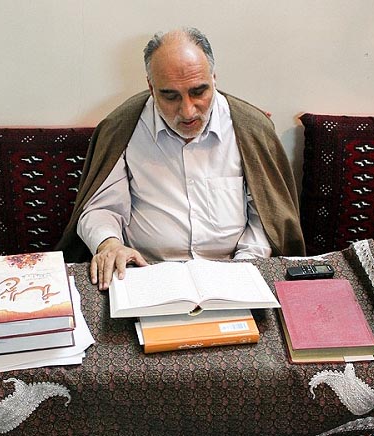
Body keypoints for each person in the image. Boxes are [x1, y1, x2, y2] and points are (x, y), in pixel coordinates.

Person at [56, 27, 305, 290]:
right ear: (151, 87)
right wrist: (110, 244)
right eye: (170, 96)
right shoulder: (122, 129)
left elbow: (265, 220)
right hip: (145, 272)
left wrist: (240, 269)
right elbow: (101, 208)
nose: (187, 111)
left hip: (235, 269)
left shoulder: (250, 128)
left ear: (214, 79)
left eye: (198, 92)